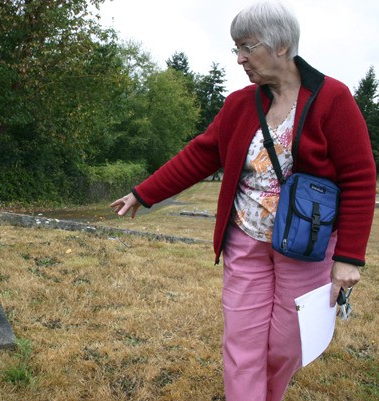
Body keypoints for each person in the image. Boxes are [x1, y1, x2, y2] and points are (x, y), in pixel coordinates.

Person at [110, 1, 377, 400]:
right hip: (244, 240)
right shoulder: (240, 104)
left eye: (247, 47)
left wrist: (349, 257)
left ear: (282, 46)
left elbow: (360, 177)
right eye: (235, 49)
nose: (239, 59)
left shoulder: (333, 98)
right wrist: (142, 193)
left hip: (305, 247)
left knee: (287, 344)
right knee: (242, 343)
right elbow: (200, 154)